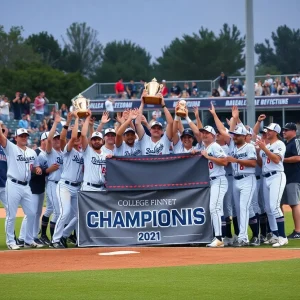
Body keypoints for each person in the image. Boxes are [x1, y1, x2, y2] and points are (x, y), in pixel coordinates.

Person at [0, 126, 43, 250]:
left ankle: (28, 240)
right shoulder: (11, 148)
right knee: (11, 215)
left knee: (32, 213)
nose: (24, 138)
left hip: (26, 186)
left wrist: (37, 169)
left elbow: (34, 167)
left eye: (26, 136)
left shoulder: (32, 152)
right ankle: (10, 241)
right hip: (13, 184)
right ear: (16, 138)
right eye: (21, 136)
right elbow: (1, 138)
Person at [51, 112, 86, 248]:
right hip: (65, 185)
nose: (76, 139)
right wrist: (75, 120)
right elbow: (69, 138)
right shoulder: (68, 150)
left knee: (80, 215)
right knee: (65, 213)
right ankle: (55, 240)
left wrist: (88, 124)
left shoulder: (84, 153)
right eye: (75, 137)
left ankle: (64, 235)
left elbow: (87, 137)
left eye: (78, 137)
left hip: (77, 187)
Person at [256, 123, 288, 247]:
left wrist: (264, 148)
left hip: (277, 175)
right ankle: (275, 235)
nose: (267, 132)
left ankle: (282, 236)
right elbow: (261, 164)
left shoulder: (279, 144)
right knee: (268, 208)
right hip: (266, 177)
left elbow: (276, 160)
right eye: (266, 130)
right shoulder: (267, 145)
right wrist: (259, 150)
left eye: (270, 130)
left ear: (276, 132)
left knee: (274, 206)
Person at [227, 125, 257, 247]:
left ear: (245, 136)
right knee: (239, 210)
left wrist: (237, 161)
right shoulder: (233, 148)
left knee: (244, 208)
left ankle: (243, 238)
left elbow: (253, 163)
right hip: (236, 180)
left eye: (238, 135)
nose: (235, 137)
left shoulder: (249, 146)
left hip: (247, 179)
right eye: (235, 135)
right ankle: (241, 236)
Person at [199, 125, 228, 248]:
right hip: (212, 181)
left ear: (213, 136)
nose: (204, 134)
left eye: (207, 133)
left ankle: (219, 238)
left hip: (219, 179)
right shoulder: (205, 147)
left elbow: (225, 161)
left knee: (214, 208)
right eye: (203, 132)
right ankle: (218, 237)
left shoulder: (215, 146)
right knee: (217, 210)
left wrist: (208, 157)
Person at [40, 113, 64, 245]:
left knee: (50, 209)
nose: (56, 140)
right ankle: (55, 238)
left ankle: (44, 235)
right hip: (52, 183)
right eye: (55, 138)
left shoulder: (63, 152)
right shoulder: (50, 152)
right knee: (58, 211)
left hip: (61, 185)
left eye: (58, 139)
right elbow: (48, 141)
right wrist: (55, 123)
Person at [81, 112, 110, 192]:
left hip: (102, 188)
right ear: (91, 141)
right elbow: (83, 135)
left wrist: (112, 158)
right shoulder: (87, 151)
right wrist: (87, 119)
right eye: (94, 140)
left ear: (102, 141)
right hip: (89, 188)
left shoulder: (106, 155)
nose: (96, 141)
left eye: (98, 139)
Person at [282, 122, 300, 239]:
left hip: (294, 177)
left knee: (294, 203)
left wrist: (282, 159)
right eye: (283, 130)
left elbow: (298, 157)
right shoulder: (284, 144)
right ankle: (280, 230)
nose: (284, 132)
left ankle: (298, 231)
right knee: (280, 204)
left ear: (294, 131)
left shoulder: (296, 141)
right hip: (284, 178)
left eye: (286, 130)